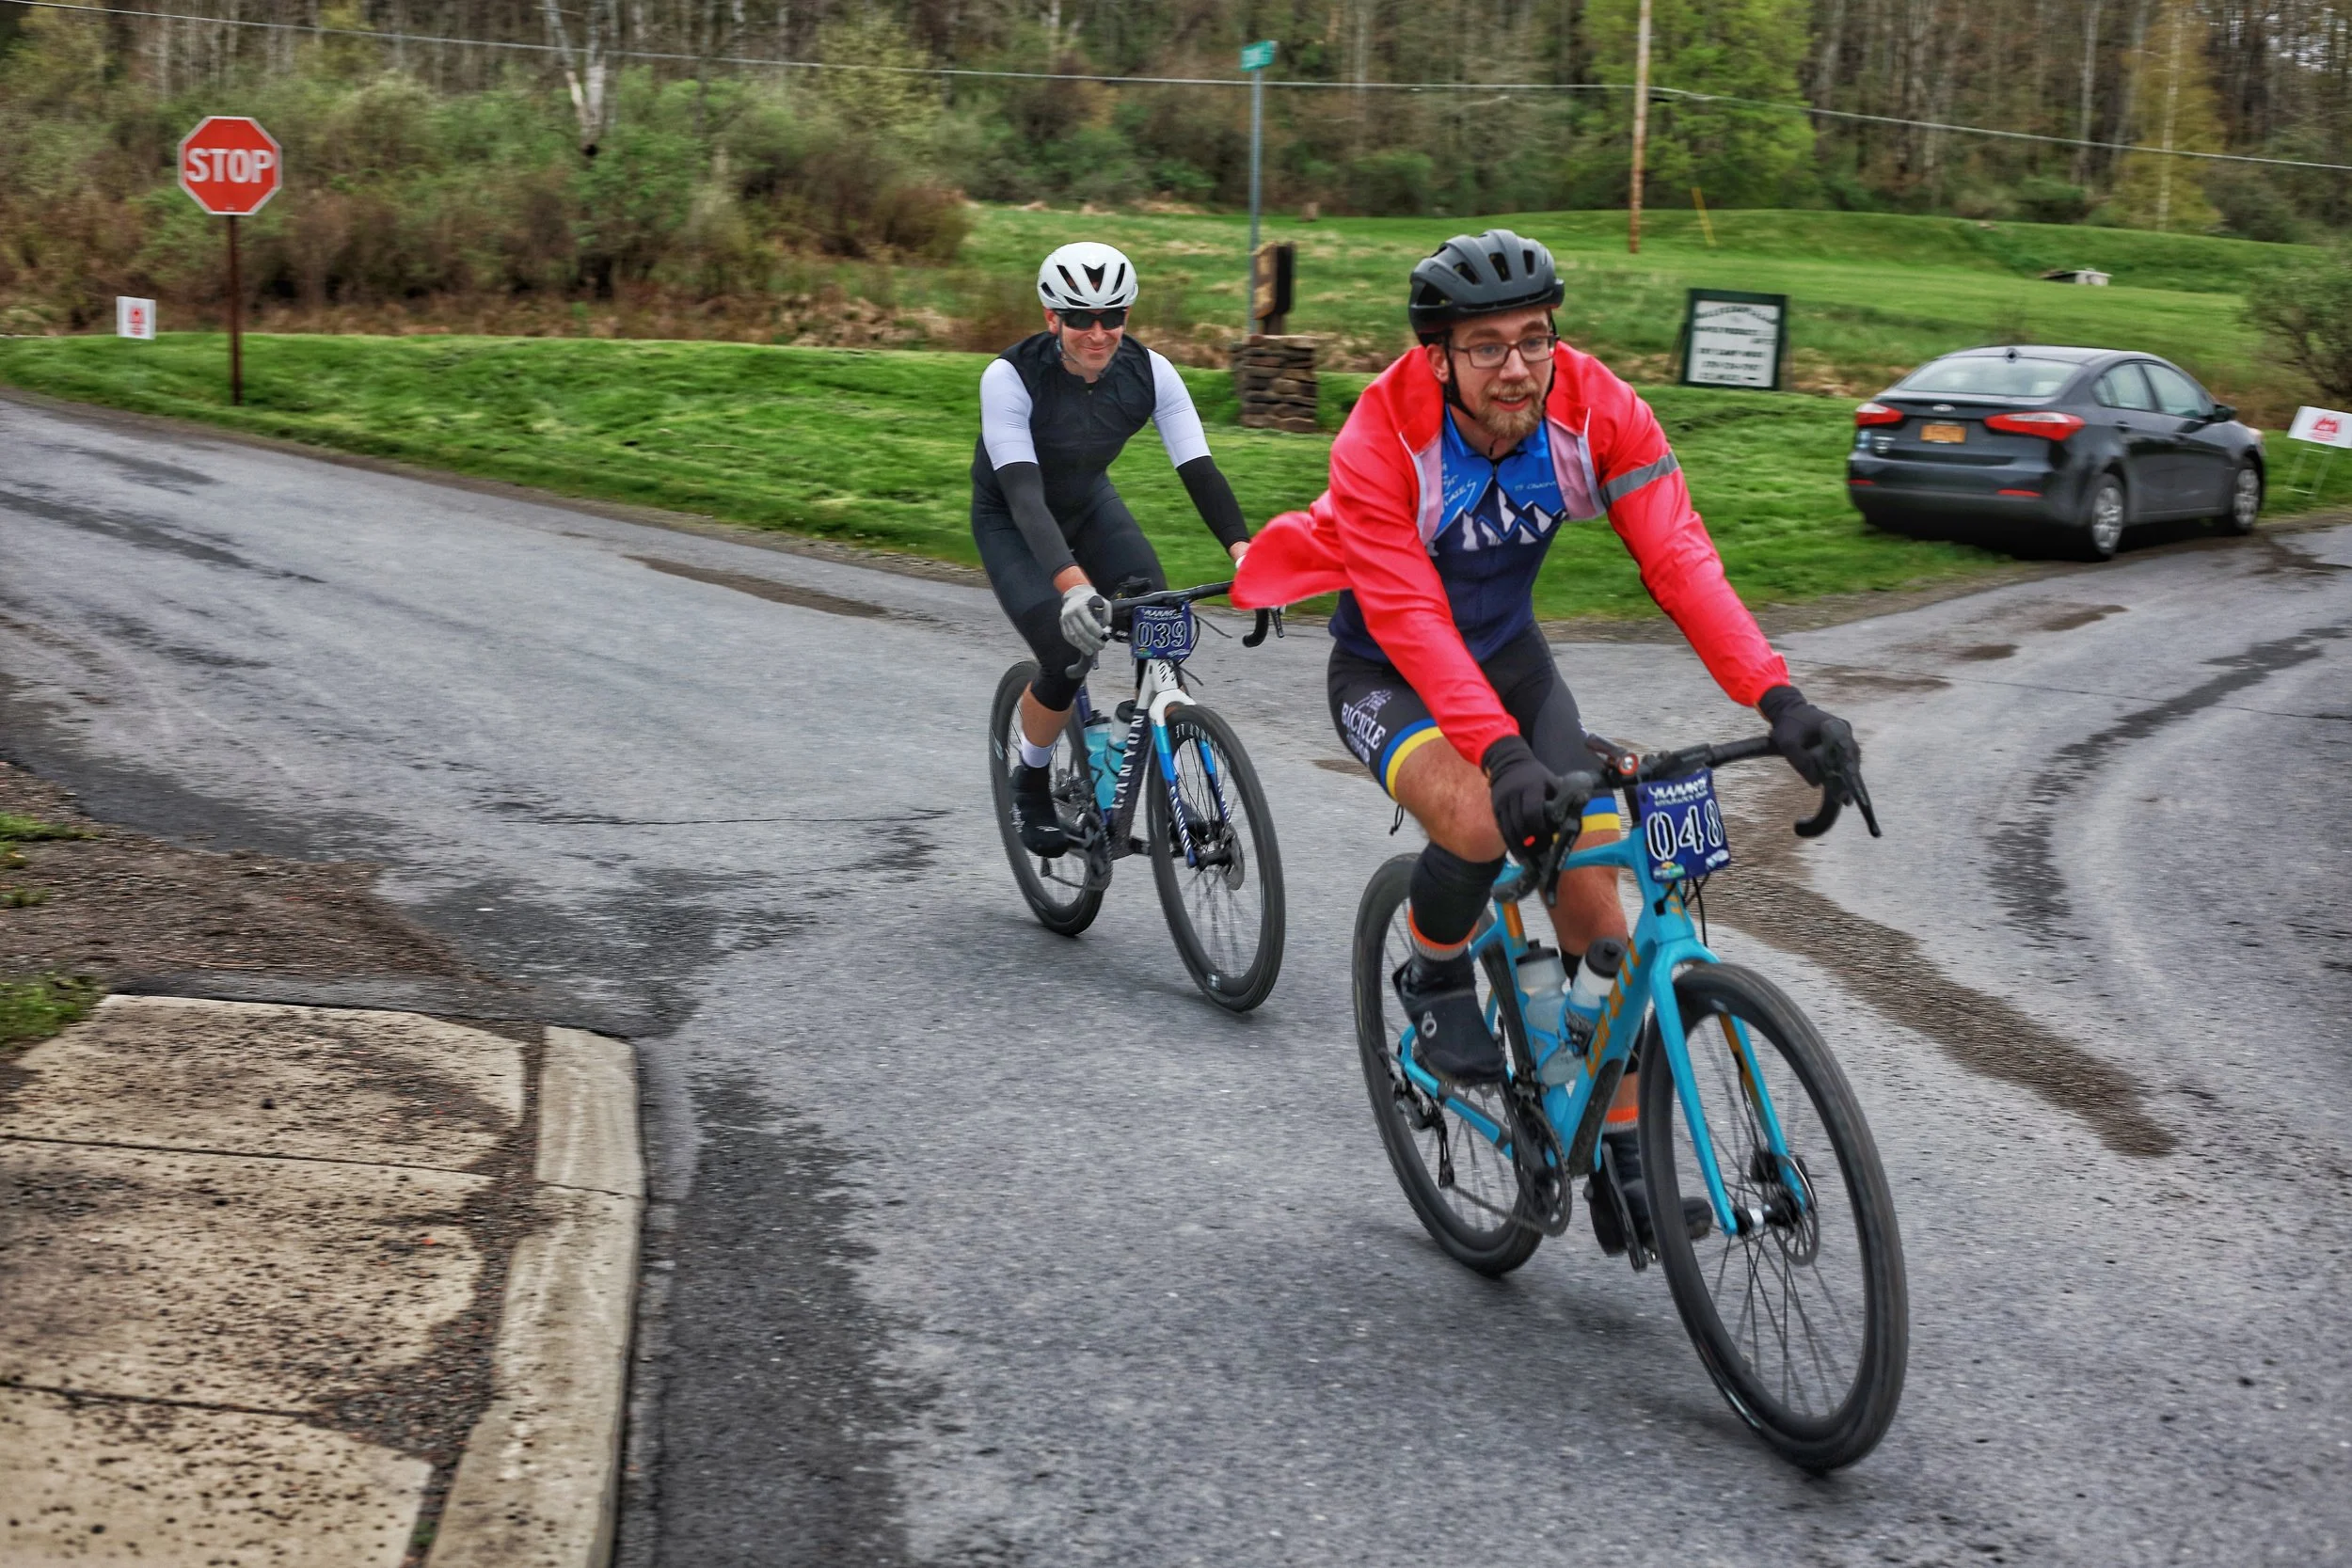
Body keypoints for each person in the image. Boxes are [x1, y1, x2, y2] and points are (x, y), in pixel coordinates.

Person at [1232, 229, 1860, 1250]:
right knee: (1485, 818)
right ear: (1436, 356)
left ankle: (1620, 1164)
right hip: (1390, 668)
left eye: (1534, 337)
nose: (1518, 364)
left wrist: (1779, 699)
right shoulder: (1380, 437)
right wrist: (1501, 754)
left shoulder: (1595, 408)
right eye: (1485, 345)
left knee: (1596, 898)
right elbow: (1415, 621)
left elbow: (1678, 558)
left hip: (1511, 656)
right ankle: (1433, 971)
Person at [975, 242, 1252, 857]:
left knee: (1161, 620)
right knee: (1065, 648)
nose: (1098, 333)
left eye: (1112, 317)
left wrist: (1246, 554)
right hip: (1014, 523)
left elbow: (1199, 469)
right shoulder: (1010, 377)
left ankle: (1138, 762)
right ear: (1053, 319)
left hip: (1088, 503)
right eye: (1080, 319)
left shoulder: (1151, 373)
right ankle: (1033, 779)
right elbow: (1024, 497)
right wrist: (1073, 585)